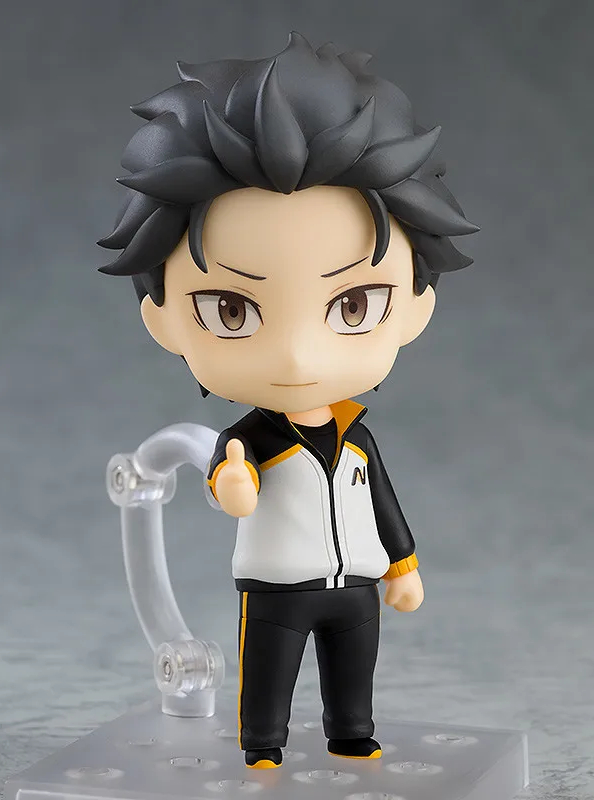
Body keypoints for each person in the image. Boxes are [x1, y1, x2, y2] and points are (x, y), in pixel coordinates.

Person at [99, 32, 478, 769]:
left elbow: (385, 505)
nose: (298, 356)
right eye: (232, 311)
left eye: (354, 305)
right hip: (276, 586)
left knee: (354, 665)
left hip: (354, 581)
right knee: (269, 670)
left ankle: (352, 732)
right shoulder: (250, 436)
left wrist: (402, 566)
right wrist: (231, 483)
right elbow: (226, 472)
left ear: (415, 307)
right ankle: (263, 744)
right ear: (163, 319)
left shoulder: (357, 435)